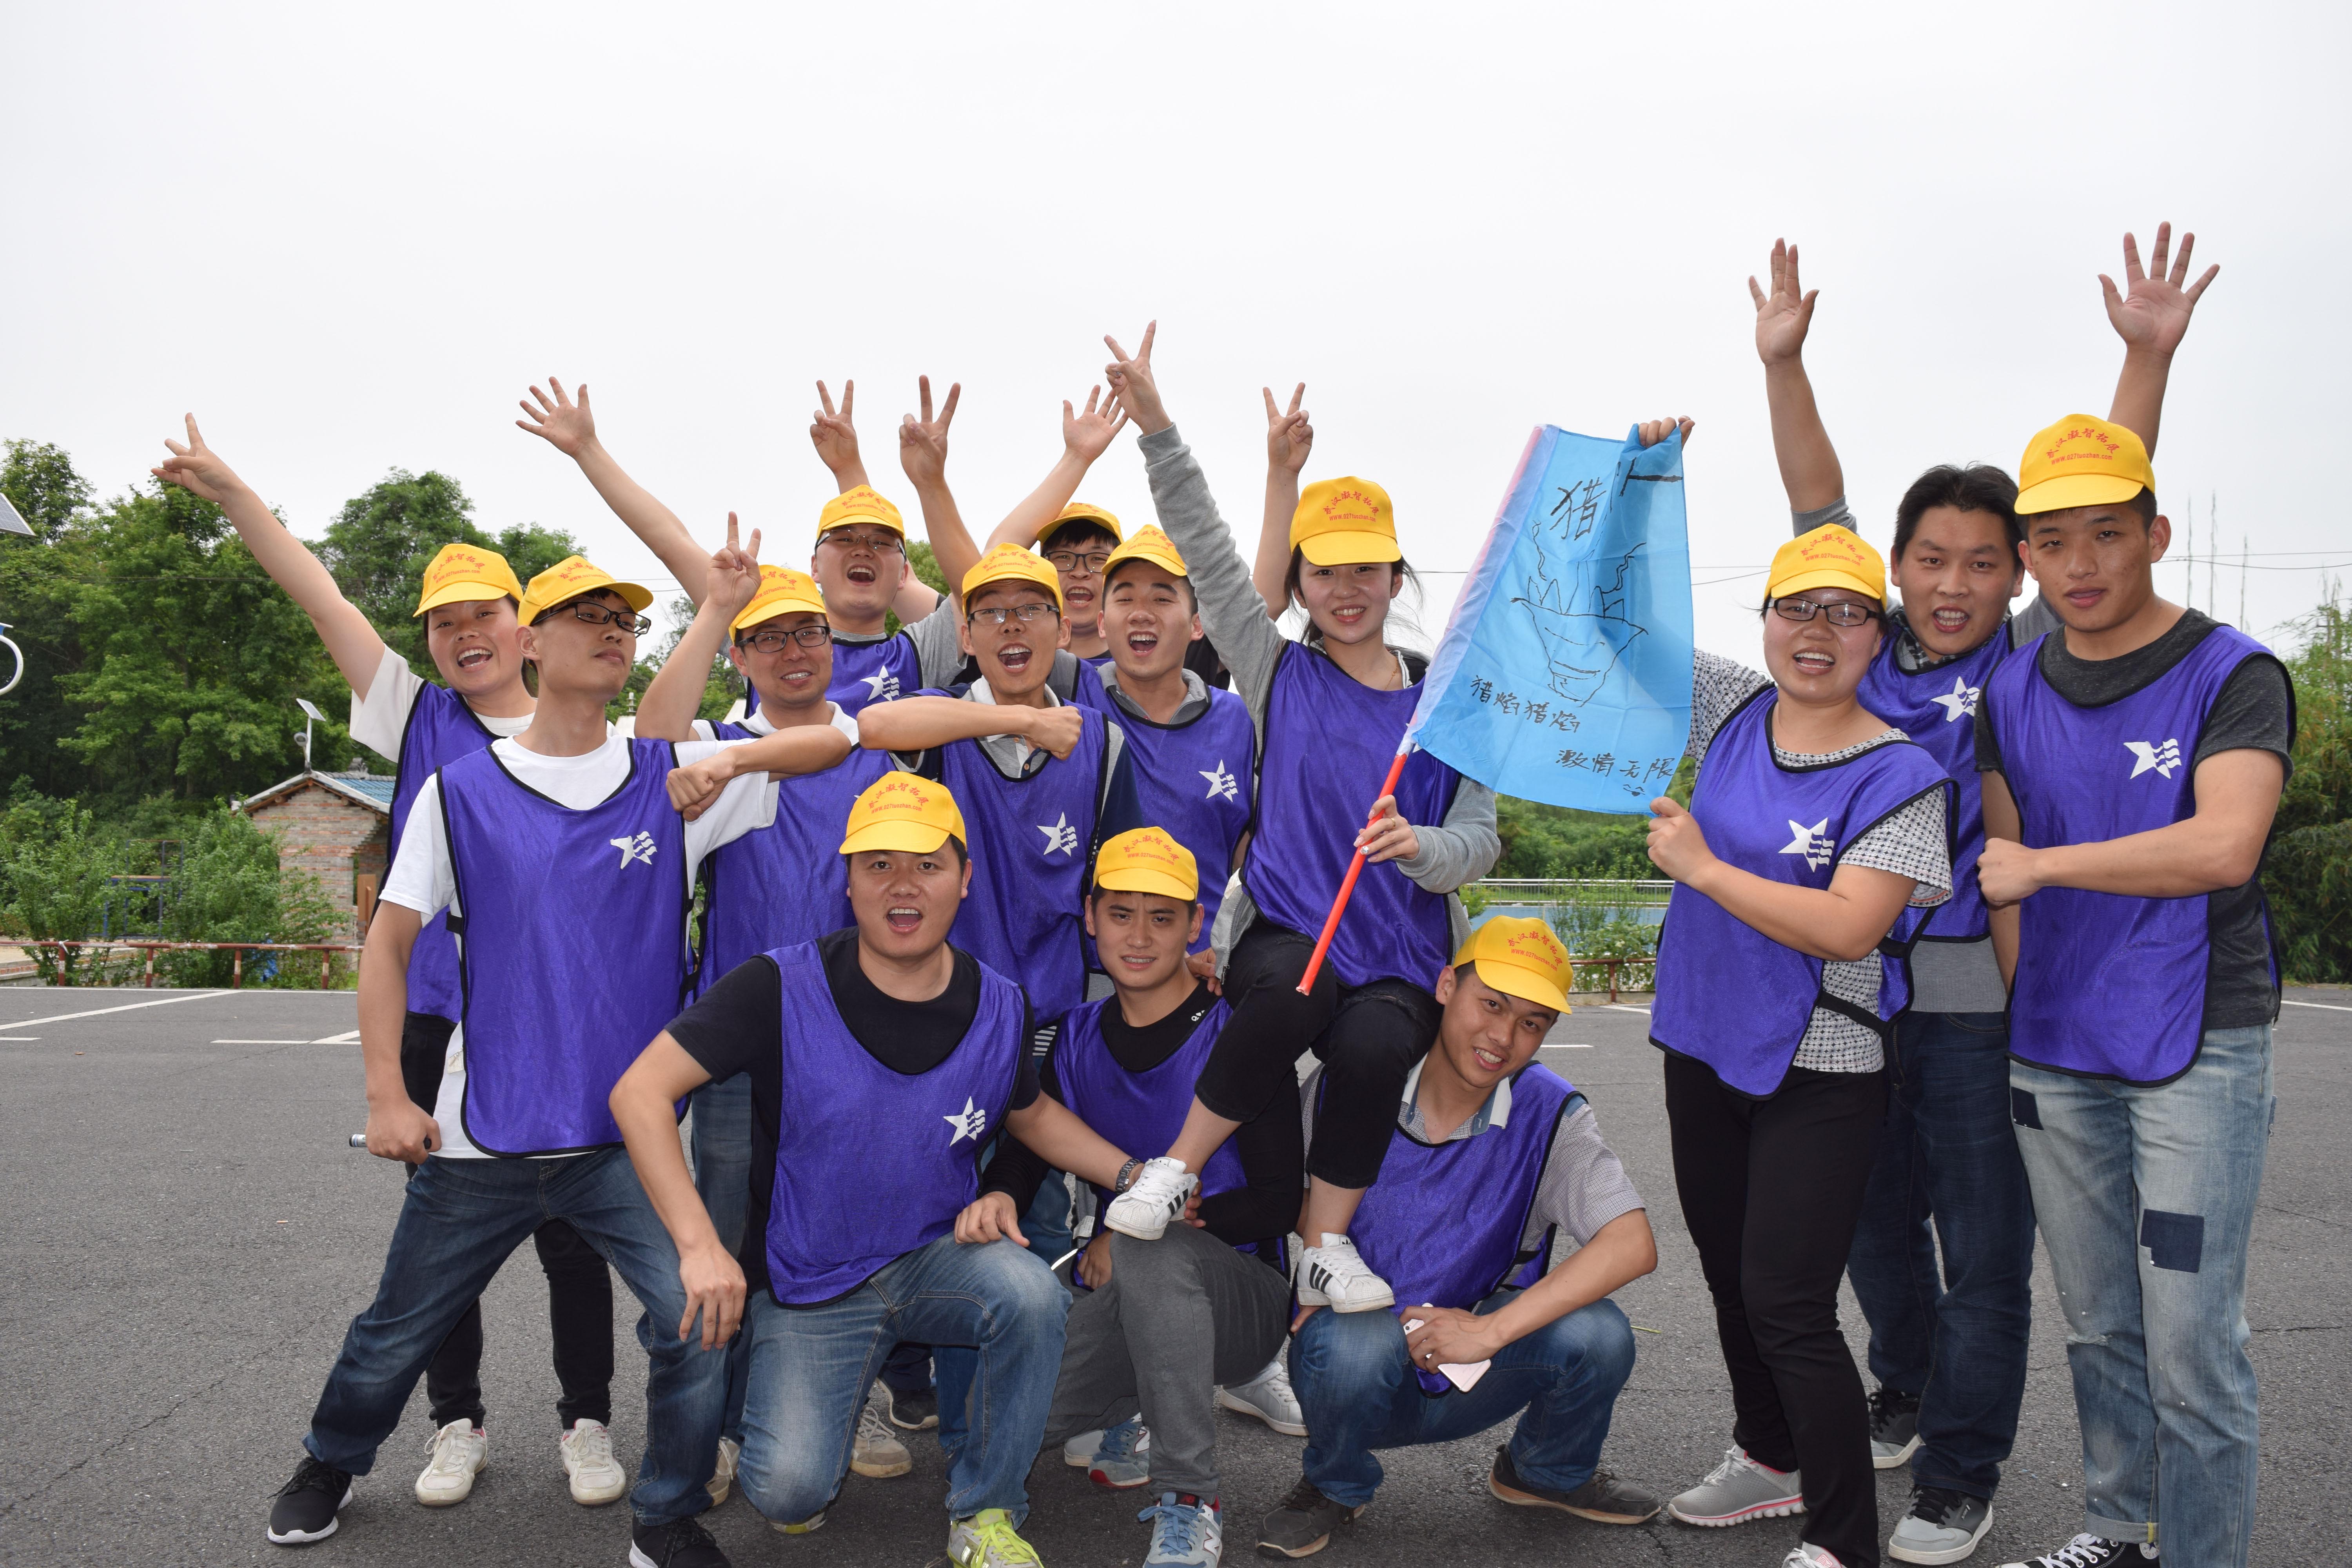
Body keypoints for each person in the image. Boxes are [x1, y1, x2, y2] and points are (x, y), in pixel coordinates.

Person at [1747, 227, 2216, 1564]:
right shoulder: (1860, 641)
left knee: (1985, 1245)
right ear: (1896, 567)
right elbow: (1815, 504)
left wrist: (2144, 362)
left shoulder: (2022, 657)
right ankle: (1902, 1388)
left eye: (1984, 561)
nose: (1953, 584)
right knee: (1868, 1222)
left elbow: (2096, 511)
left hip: (1971, 992)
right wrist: (1783, 366)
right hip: (1846, 982)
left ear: (2018, 574)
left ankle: (1962, 1472)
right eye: (1930, 559)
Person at [261, 554, 851, 1566]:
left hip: (624, 1141)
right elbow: (390, 945)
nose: (611, 629)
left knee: (697, 1315)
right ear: (531, 642)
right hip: (486, 1130)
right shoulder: (460, 789)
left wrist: (732, 748)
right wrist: (388, 1092)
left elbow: (833, 742)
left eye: (623, 618)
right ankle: (331, 1459)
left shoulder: (673, 778)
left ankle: (666, 1512)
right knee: (398, 1327)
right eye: (584, 615)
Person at [150, 420, 664, 1510]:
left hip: (579, 1026)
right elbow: (321, 598)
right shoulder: (420, 715)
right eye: (441, 621)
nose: (463, 633)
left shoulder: (602, 732)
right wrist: (235, 493)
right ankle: (453, 1420)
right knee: (445, 1248)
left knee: (577, 1246)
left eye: (483, 613)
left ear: (529, 628)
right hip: (443, 1019)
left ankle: (585, 1419)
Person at [607, 771, 1142, 1568]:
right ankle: (819, 1406)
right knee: (789, 1491)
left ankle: (987, 1510)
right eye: (879, 863)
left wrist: (1135, 1174)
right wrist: (698, 1245)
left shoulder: (1001, 1001)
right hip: (813, 1279)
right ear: (848, 880)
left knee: (1030, 1293)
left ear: (964, 878)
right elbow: (639, 1092)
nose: (903, 884)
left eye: (928, 864)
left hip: (936, 1258)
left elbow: (1029, 1113)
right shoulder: (776, 982)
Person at [1094, 325, 1500, 1317]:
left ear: (1397, 578)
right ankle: (1177, 1168)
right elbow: (1206, 546)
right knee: (1282, 1001)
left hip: (1400, 950)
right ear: (1303, 584)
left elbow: (1480, 841)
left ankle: (1323, 1245)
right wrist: (1156, 426)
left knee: (1373, 1048)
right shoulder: (1278, 672)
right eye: (1325, 571)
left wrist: (1424, 846)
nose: (1346, 591)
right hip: (1290, 928)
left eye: (1367, 571)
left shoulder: (1447, 707)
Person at [1976, 414, 2290, 1568]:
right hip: (2057, 1047)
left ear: (2155, 536)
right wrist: (2033, 1003)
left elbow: (2224, 846)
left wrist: (2049, 868)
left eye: (2108, 534)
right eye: (2054, 541)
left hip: (2199, 1036)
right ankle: (2122, 1527)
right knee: (2100, 1321)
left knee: (2194, 1343)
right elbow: (2001, 875)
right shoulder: (2012, 687)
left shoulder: (2233, 671)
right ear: (2028, 558)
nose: (2082, 563)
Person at [1645, 512, 1955, 1568]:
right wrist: (1641, 481)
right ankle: (1768, 1452)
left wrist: (1704, 867)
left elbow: (1850, 926)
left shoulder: (1903, 773)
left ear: (1881, 637)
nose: (1818, 630)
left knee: (1788, 1301)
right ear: (1767, 617)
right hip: (1703, 1040)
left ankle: (1842, 1540)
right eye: (1797, 606)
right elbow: (1618, 623)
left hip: (1822, 1065)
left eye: (1848, 612)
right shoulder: (1734, 706)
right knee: (1733, 1275)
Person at [631, 525, 906, 1496]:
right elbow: (650, 738)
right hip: (737, 1042)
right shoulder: (719, 748)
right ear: (741, 657)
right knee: (721, 1232)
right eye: (770, 636)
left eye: (809, 632)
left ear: (834, 642)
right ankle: (707, 1424)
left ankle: (846, 1394)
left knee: (841, 1227)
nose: (795, 650)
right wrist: (715, 606)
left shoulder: (874, 747)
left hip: (852, 1042)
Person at [1257, 916, 1661, 1560]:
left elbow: (1632, 1243)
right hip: (1353, 1358)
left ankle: (1545, 1472)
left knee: (1602, 1335)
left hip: (1476, 1362)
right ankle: (1335, 1482)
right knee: (1354, 1349)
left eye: (1531, 1022)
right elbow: (1279, 1195)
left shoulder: (1551, 1113)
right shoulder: (1356, 1079)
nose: (1503, 1037)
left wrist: (1487, 1331)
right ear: (1446, 986)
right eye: (1492, 1004)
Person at [979, 827, 1303, 1566]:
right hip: (1126, 1290)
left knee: (1151, 1252)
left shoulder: (1237, 1034)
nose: (1139, 936)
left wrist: (1144, 1230)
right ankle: (1136, 1407)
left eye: (1162, 918)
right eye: (1120, 914)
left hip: (1240, 1296)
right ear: (1090, 918)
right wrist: (999, 1193)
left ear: (1195, 926)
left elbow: (1279, 1201)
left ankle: (1190, 1498)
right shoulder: (1069, 1035)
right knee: (994, 1426)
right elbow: (1029, 1148)